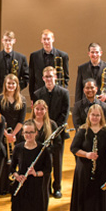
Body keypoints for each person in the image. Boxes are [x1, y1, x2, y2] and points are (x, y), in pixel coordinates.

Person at [68, 105, 106, 211]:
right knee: (84, 198)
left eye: (97, 115)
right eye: (92, 115)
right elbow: (74, 148)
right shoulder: (83, 130)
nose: (95, 118)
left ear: (102, 117)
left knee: (99, 199)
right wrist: (87, 155)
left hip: (101, 170)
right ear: (88, 116)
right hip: (83, 171)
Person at [9, 120, 50, 211]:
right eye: (26, 132)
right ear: (22, 133)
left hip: (35, 188)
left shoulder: (42, 149)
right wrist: (16, 176)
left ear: (36, 133)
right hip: (21, 189)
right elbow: (11, 168)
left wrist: (35, 173)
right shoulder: (18, 148)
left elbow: (48, 169)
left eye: (31, 132)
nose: (29, 135)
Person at [33, 66, 71, 199]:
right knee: (44, 161)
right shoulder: (38, 93)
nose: (49, 79)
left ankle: (57, 187)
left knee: (57, 161)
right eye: (46, 77)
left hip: (58, 132)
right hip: (42, 132)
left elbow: (65, 113)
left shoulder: (64, 92)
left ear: (55, 77)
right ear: (43, 78)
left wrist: (54, 128)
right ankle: (46, 187)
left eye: (51, 76)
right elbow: (36, 113)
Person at [31, 99, 61, 211]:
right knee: (32, 189)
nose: (39, 111)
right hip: (31, 161)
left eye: (42, 109)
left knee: (44, 189)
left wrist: (48, 149)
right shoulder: (29, 123)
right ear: (33, 110)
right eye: (37, 109)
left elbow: (58, 143)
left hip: (45, 162)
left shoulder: (52, 124)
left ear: (46, 110)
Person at [0, 74, 27, 196]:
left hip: (17, 134)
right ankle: (3, 187)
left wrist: (13, 134)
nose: (11, 86)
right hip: (2, 133)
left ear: (16, 85)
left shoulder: (22, 100)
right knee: (4, 160)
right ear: (5, 85)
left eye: (13, 84)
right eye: (8, 83)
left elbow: (21, 120)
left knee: (17, 159)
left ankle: (15, 185)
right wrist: (6, 134)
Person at [28, 29, 69, 101]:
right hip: (39, 94)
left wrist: (62, 93)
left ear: (53, 39)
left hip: (57, 95)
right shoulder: (34, 56)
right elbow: (31, 78)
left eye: (48, 39)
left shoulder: (63, 56)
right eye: (44, 39)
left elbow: (65, 78)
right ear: (41, 40)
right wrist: (32, 97)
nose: (46, 41)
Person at [0, 30, 29, 96]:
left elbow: (26, 77)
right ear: (2, 41)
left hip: (15, 94)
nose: (7, 42)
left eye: (10, 40)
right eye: (6, 40)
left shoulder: (21, 58)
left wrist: (16, 88)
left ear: (14, 41)